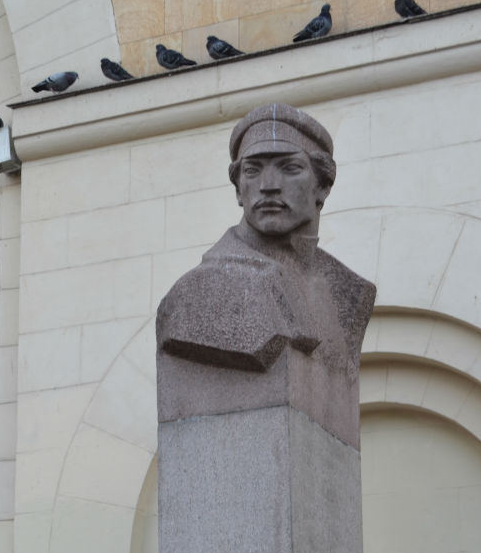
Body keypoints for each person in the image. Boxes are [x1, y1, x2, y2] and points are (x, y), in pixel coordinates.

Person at [157, 102, 375, 386]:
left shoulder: (348, 290)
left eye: (289, 167)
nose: (268, 184)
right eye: (253, 170)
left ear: (323, 186)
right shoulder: (202, 291)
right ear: (238, 190)